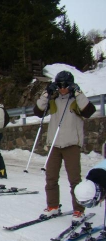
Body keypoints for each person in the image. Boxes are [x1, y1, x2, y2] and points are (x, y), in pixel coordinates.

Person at [34, 70, 96, 221]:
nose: (62, 88)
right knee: (51, 177)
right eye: (59, 85)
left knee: (74, 179)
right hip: (54, 144)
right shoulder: (53, 99)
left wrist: (78, 92)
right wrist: (46, 94)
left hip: (71, 144)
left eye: (66, 85)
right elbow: (38, 111)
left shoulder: (76, 99)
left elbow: (89, 111)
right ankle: (53, 206)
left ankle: (79, 210)